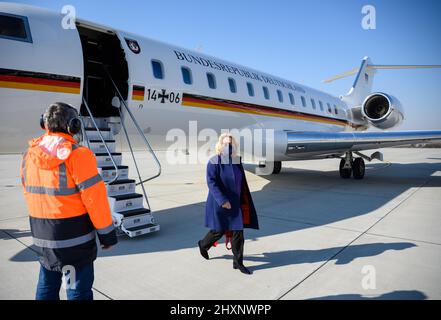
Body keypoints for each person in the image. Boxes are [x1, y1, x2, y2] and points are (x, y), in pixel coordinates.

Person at [20, 102, 117, 300]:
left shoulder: (29, 155)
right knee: (75, 289)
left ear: (44, 124)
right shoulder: (78, 155)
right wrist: (107, 235)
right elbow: (95, 200)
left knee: (47, 284)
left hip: (43, 237)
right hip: (73, 241)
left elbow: (28, 191)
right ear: (73, 126)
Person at [198, 133, 259, 274]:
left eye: (230, 144)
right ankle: (203, 244)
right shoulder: (214, 161)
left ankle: (238, 262)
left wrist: (244, 199)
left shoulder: (237, 161)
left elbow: (242, 181)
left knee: (238, 233)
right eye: (225, 144)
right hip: (221, 203)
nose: (228, 146)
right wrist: (222, 200)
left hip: (236, 203)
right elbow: (211, 183)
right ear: (220, 145)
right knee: (218, 231)